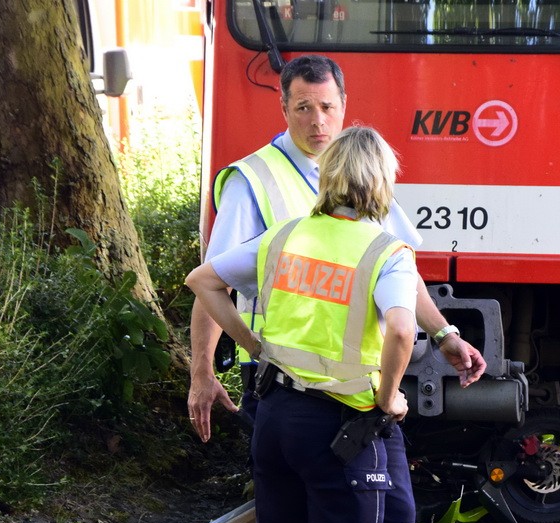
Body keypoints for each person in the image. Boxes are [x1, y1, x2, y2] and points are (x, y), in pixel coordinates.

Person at [186, 126, 419, 523]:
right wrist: (388, 398)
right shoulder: (386, 250)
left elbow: (204, 280)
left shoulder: (286, 237)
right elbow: (403, 331)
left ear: (328, 175)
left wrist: (255, 345)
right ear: (383, 182)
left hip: (276, 418)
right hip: (341, 432)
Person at [188, 54, 485, 442]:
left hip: (357, 384)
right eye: (303, 108)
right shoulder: (252, 180)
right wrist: (203, 373)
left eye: (327, 107)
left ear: (344, 104)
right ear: (284, 109)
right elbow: (213, 281)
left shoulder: (359, 173)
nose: (318, 120)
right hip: (281, 379)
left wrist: (445, 334)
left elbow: (401, 271)